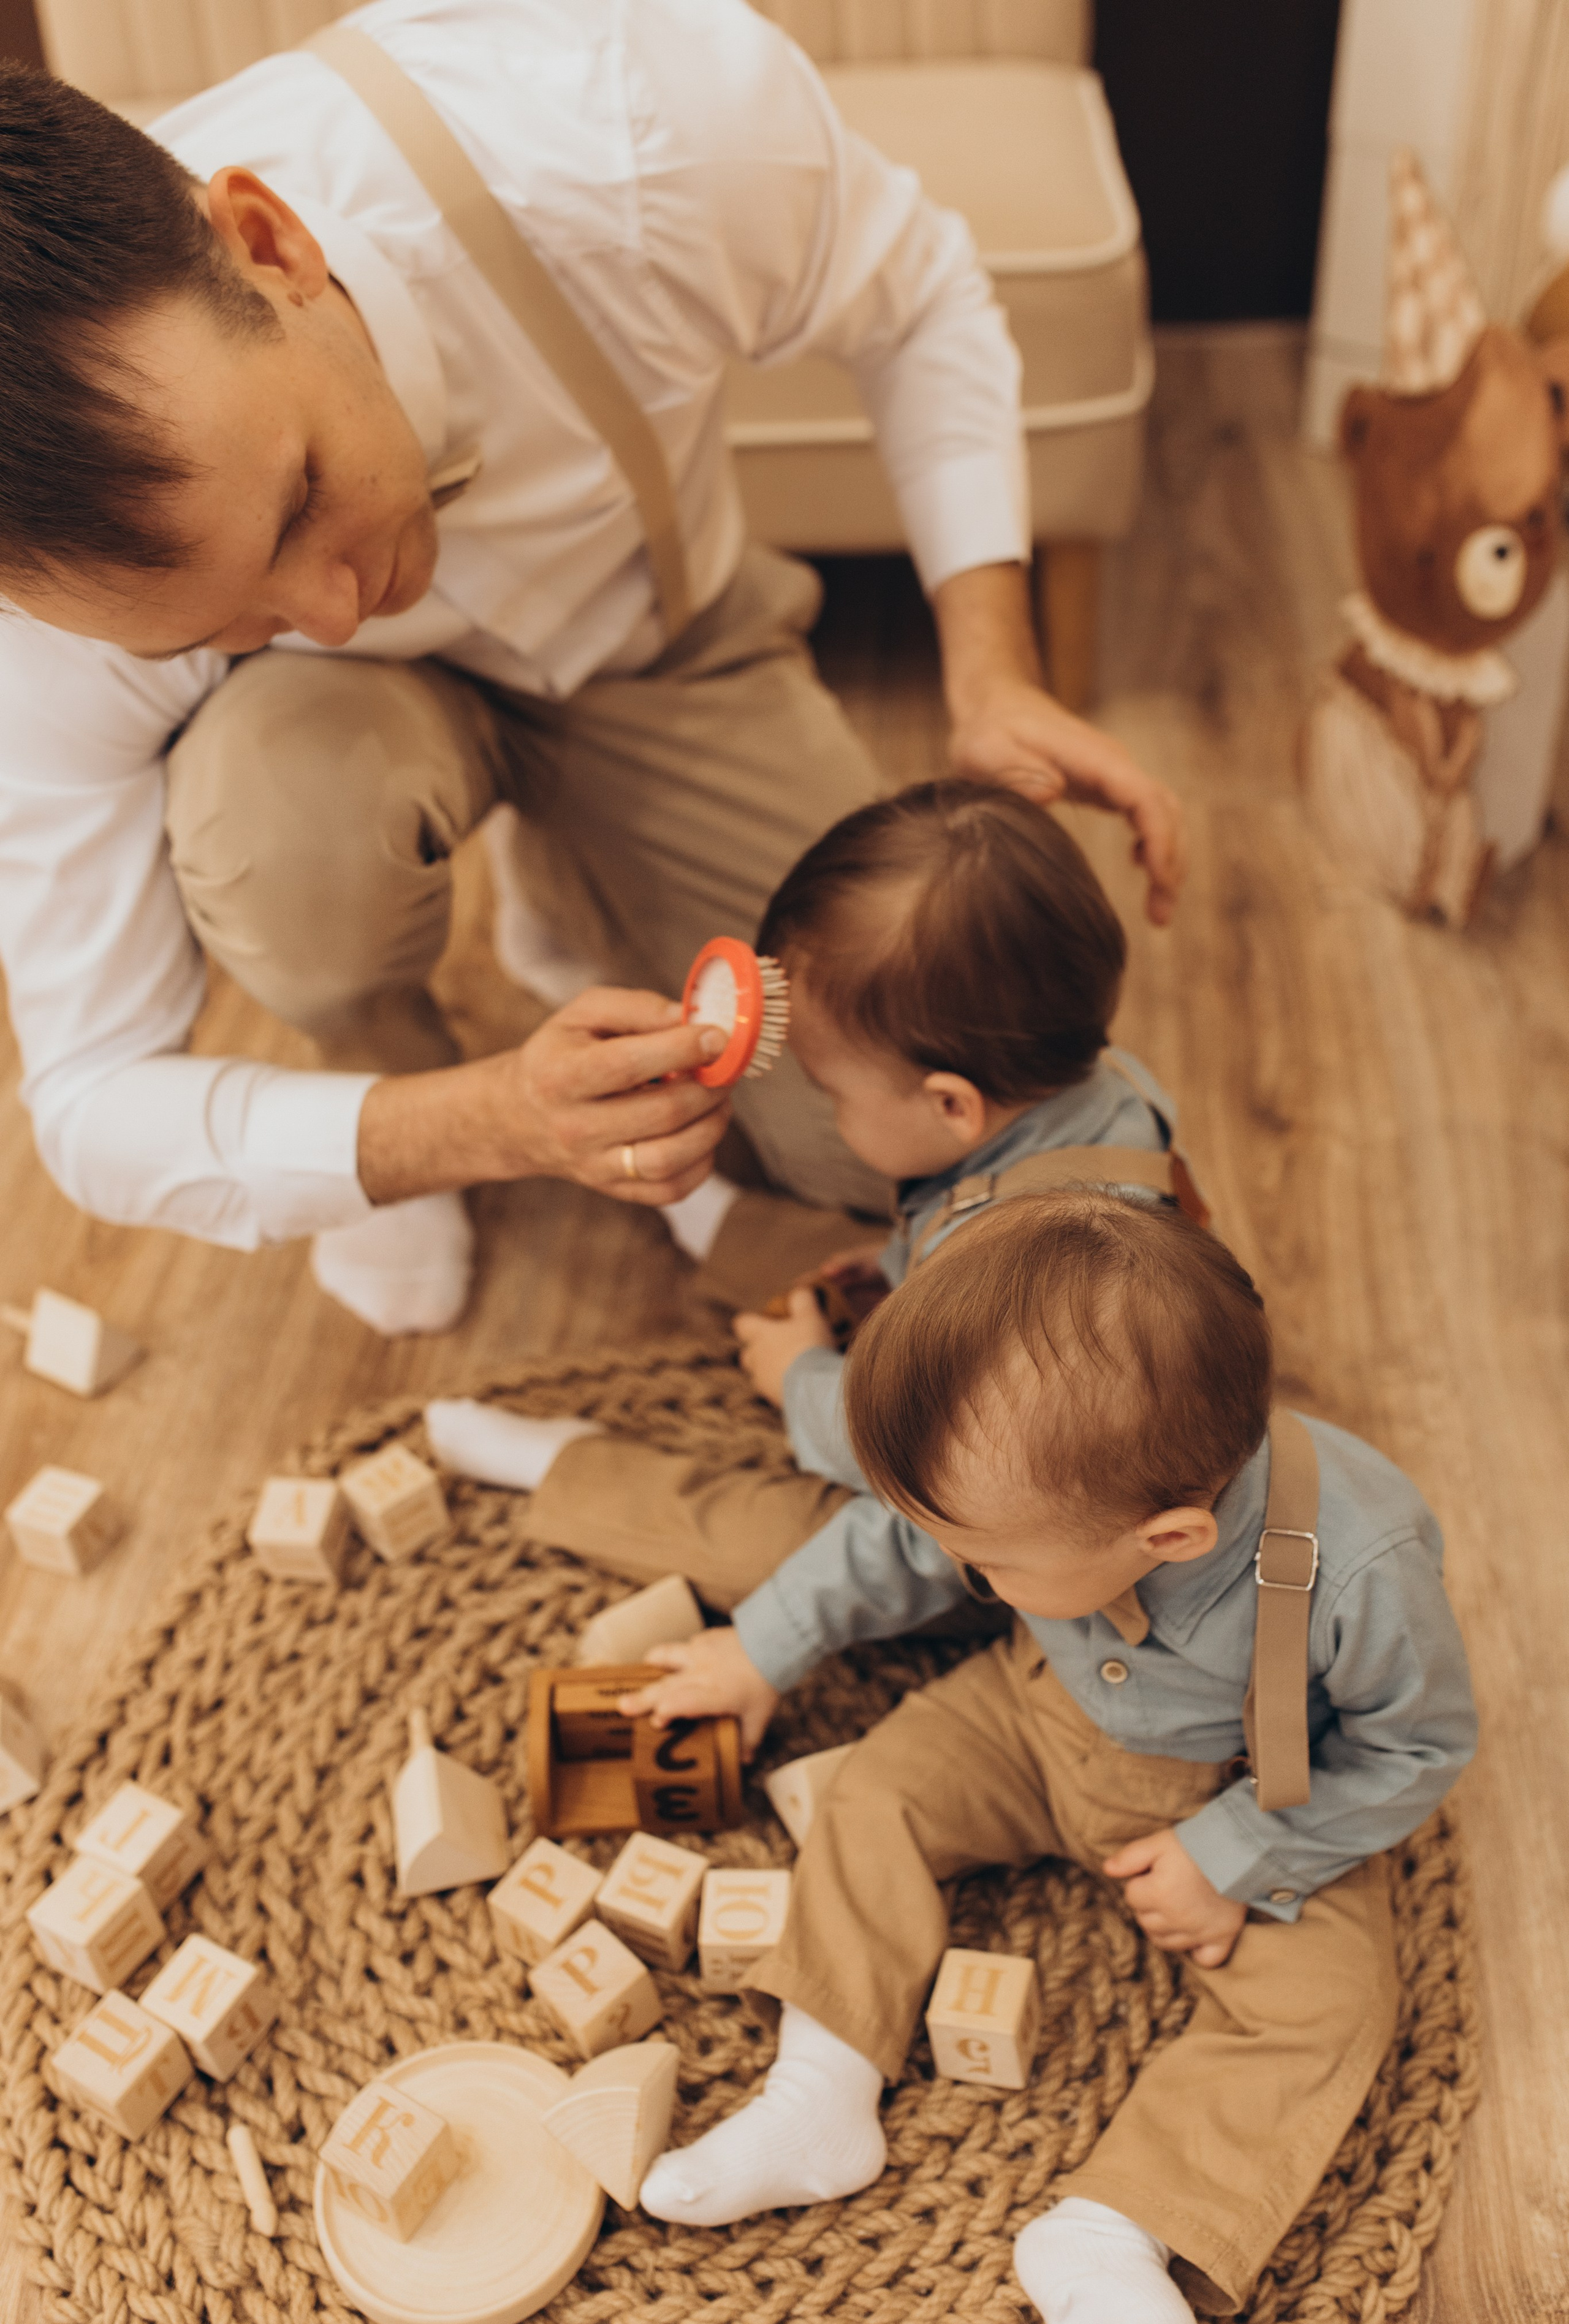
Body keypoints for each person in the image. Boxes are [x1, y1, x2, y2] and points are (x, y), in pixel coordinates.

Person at [0, 0, 1184, 1338]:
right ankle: (388, 1070)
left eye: (299, 502)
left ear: (271, 245)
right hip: (344, 750)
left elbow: (920, 300)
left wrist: (991, 671)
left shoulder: (636, 138)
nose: (331, 613)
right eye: (222, 626)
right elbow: (91, 1101)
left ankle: (565, 916)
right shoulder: (46, 627)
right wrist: (474, 1126)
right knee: (283, 834)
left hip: (663, 646)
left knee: (884, 1115)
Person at [627, 1194, 1478, 2324]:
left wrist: (1235, 1856)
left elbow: (1416, 1746)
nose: (958, 1568)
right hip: (1032, 1722)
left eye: (987, 1562)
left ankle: (1112, 2230)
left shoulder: (1361, 1566)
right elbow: (897, 1542)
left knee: (1333, 2012)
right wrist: (765, 1647)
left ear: (1167, 1537)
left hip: (1249, 1789)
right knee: (874, 1793)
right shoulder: (1012, 1488)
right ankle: (817, 2095)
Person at [466, 776, 1197, 1585]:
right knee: (853, 1259)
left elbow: (928, 1458)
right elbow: (947, 1237)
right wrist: (892, 1272)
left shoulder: (1004, 1274)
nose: (825, 1106)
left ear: (951, 1104)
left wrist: (802, 1381)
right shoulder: (1104, 1086)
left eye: (833, 1094)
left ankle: (569, 1469)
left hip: (1020, 1498)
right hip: (1038, 1324)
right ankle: (727, 1227)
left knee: (785, 1548)